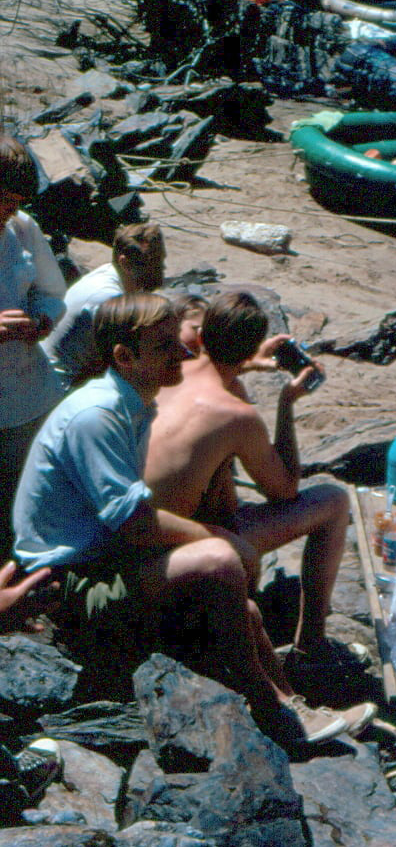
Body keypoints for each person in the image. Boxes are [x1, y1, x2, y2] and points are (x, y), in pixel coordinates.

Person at [13, 294, 374, 750]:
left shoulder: (131, 396)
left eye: (182, 342)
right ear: (126, 356)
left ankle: (288, 704)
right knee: (219, 561)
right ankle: (273, 710)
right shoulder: (96, 417)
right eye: (167, 346)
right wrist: (225, 539)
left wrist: (243, 363)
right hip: (69, 586)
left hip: (106, 558)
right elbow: (135, 524)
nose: (183, 354)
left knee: (243, 608)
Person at [144, 290, 352, 691]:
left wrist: (247, 363)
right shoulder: (236, 413)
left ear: (201, 336)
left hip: (146, 533)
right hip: (194, 546)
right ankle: (310, 646)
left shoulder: (171, 374)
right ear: (248, 349)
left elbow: (217, 373)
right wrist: (286, 403)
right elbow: (285, 490)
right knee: (334, 501)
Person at [0, 134, 67, 559]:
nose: (13, 211)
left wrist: (41, 319)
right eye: (6, 200)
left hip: (25, 394)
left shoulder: (21, 231)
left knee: (25, 499)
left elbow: (53, 292)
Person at [44, 222, 166, 388]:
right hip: (61, 388)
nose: (162, 268)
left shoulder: (107, 273)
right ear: (125, 263)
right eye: (153, 262)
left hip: (57, 377)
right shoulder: (109, 299)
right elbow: (123, 364)